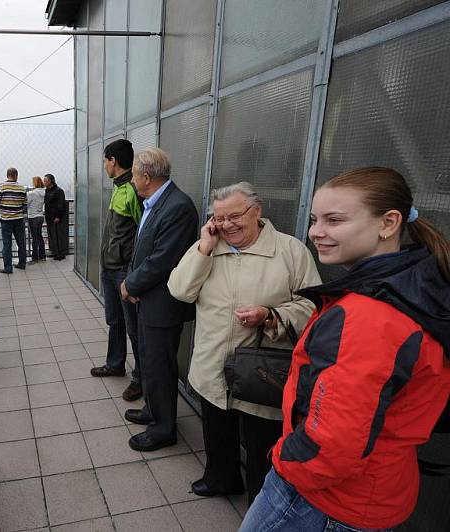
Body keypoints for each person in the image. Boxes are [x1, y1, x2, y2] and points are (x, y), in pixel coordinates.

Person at [239, 167, 450, 531]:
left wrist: (284, 464)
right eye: (315, 219)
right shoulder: (415, 285)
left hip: (325, 500)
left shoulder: (370, 316)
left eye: (334, 220)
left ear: (388, 223)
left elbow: (332, 444)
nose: (316, 232)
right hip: (378, 488)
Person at [167, 182, 321, 506]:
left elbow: (314, 307)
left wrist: (271, 315)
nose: (227, 225)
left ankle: (260, 504)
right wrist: (204, 248)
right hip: (213, 362)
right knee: (216, 429)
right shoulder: (210, 246)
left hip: (262, 372)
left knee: (261, 442)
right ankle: (220, 478)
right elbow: (180, 290)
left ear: (257, 211)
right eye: (219, 218)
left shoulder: (290, 251)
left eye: (235, 216)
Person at [120, 148, 198, 452]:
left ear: (147, 176)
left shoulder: (178, 206)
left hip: (163, 304)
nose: (132, 181)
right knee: (149, 360)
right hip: (147, 299)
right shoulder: (156, 202)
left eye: (135, 175)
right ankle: (153, 410)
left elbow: (163, 259)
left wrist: (130, 283)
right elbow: (144, 248)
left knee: (161, 365)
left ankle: (164, 428)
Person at [90, 139, 144, 401]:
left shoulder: (133, 190)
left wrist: (132, 273)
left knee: (133, 327)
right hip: (110, 267)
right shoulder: (118, 187)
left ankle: (141, 379)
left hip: (123, 271)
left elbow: (142, 234)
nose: (104, 165)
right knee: (115, 321)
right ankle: (115, 364)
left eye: (105, 160)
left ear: (113, 161)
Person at [0, 167, 27, 274]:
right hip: (19, 219)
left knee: (7, 244)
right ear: (16, 175)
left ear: (7, 175)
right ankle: (22, 264)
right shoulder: (22, 188)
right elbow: (25, 205)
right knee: (21, 243)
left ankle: (8, 268)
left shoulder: (1, 187)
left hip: (6, 220)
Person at [43, 174, 67, 260]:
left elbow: (61, 205)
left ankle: (60, 254)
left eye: (45, 180)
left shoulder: (59, 191)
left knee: (57, 236)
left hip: (56, 218)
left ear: (50, 181)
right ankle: (54, 252)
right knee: (52, 236)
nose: (44, 182)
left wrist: (58, 216)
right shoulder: (47, 191)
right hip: (49, 217)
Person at [26, 176, 46, 263]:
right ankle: (42, 256)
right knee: (40, 236)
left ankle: (35, 257)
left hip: (33, 217)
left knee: (34, 238)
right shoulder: (44, 192)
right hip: (40, 216)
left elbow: (25, 203)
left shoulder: (32, 193)